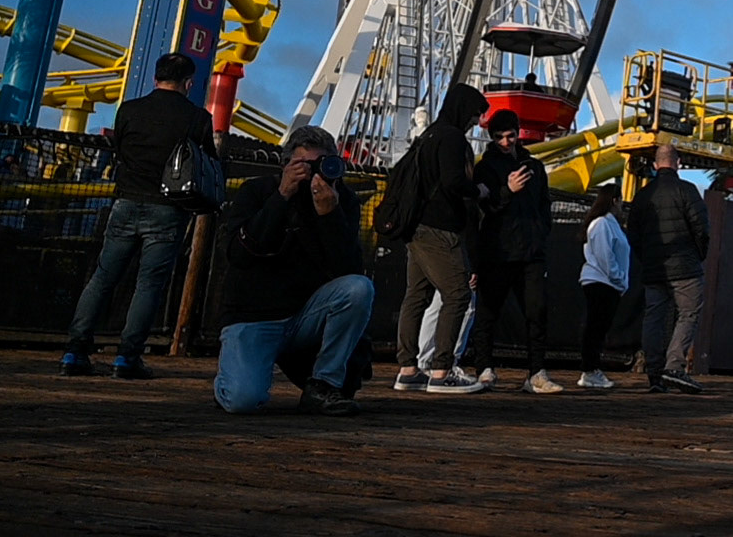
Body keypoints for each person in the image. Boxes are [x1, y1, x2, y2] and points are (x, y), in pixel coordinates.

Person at [60, 52, 216, 379]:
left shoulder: (129, 110)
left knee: (103, 278)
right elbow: (206, 162)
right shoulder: (198, 118)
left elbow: (120, 153)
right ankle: (127, 358)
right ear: (189, 83)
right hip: (169, 208)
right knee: (149, 284)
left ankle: (74, 352)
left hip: (126, 202)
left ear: (155, 78)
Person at [213, 125, 375, 416]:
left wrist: (330, 215)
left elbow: (348, 269)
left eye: (322, 164)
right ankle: (229, 377)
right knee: (242, 400)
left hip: (304, 318)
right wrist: (282, 196)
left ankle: (323, 384)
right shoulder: (258, 191)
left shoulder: (342, 200)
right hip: (255, 315)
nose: (314, 173)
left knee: (359, 288)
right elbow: (239, 255)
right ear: (287, 164)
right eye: (304, 165)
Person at [393, 83, 490, 394]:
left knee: (416, 296)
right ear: (464, 110)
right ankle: (441, 370)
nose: (475, 121)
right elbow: (453, 181)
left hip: (414, 225)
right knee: (458, 294)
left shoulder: (429, 135)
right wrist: (478, 190)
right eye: (475, 114)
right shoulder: (452, 137)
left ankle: (408, 369)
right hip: (438, 227)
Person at [465, 108, 561, 393]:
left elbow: (545, 205)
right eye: (499, 137)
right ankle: (484, 368)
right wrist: (507, 190)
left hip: (530, 252)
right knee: (488, 311)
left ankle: (536, 372)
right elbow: (487, 208)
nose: (506, 142)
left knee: (536, 311)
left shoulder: (536, 168)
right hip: (498, 251)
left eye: (511, 136)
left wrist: (541, 233)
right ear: (491, 137)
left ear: (518, 134)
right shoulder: (485, 168)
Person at [629, 143, 709, 394]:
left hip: (654, 267)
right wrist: (698, 255)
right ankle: (674, 366)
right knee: (688, 314)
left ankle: (654, 374)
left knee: (654, 317)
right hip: (685, 264)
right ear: (679, 163)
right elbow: (701, 229)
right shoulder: (687, 190)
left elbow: (633, 233)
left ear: (655, 165)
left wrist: (647, 258)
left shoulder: (643, 195)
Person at [577, 183, 631, 389]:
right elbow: (604, 256)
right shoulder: (601, 224)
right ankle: (589, 370)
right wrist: (618, 278)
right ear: (614, 200)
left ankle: (592, 368)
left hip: (608, 284)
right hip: (601, 282)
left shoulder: (610, 224)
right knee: (595, 326)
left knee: (599, 327)